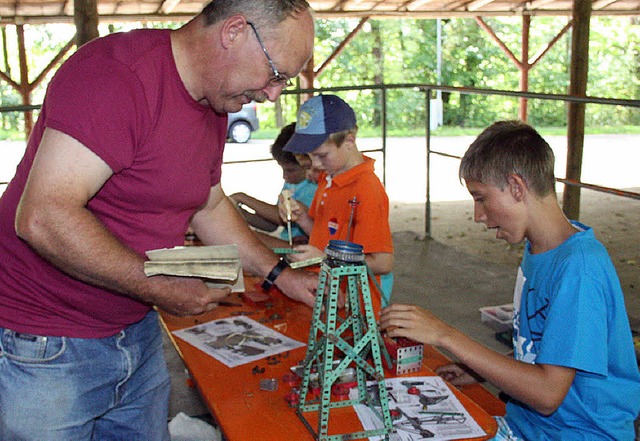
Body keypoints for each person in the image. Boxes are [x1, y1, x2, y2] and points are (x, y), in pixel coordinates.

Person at [0, 1, 318, 439]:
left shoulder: (214, 103)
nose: (273, 94)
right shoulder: (116, 77)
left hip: (134, 327)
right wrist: (162, 287)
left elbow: (205, 205)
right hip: (48, 342)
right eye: (276, 74)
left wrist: (278, 273)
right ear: (234, 32)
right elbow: (42, 216)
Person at [379, 121, 640, 440]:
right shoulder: (539, 249)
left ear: (517, 187)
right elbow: (540, 349)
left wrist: (446, 335)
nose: (478, 216)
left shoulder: (579, 268)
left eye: (481, 198)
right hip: (530, 425)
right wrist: (473, 368)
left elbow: (547, 395)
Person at [281, 94, 394, 310]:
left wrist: (325, 259)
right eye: (310, 155)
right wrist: (302, 217)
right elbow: (323, 233)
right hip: (326, 292)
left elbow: (382, 262)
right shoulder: (328, 178)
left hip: (355, 307)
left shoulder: (367, 189)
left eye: (322, 155)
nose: (315, 164)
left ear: (349, 141)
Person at [230, 122, 317, 246]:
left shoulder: (314, 187)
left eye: (290, 170)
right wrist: (239, 213)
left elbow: (281, 217)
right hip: (286, 241)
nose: (284, 176)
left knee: (243, 240)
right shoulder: (291, 184)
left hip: (300, 248)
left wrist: (242, 197)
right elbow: (272, 225)